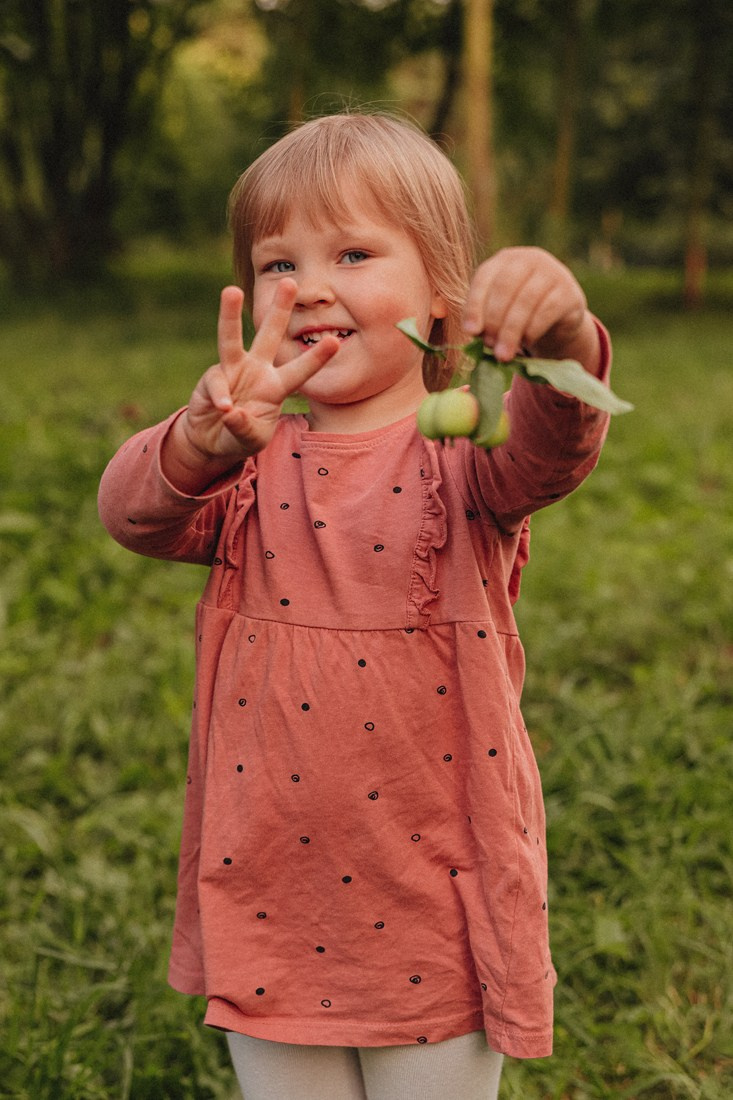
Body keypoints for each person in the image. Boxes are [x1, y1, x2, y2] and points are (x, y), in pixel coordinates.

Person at [98, 111, 612, 1100]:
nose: (311, 285)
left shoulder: (467, 466)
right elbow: (133, 514)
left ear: (445, 304)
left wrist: (558, 333)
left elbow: (554, 444)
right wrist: (203, 440)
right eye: (278, 263)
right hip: (270, 897)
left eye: (352, 251)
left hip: (435, 902)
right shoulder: (247, 466)